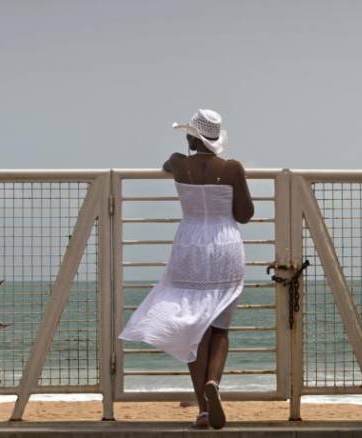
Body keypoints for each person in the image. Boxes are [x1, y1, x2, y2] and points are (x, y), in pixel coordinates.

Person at [119, 109, 254, 429]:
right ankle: (214, 384)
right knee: (220, 327)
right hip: (224, 245)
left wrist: (180, 157)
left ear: (193, 137)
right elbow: (245, 213)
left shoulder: (179, 164)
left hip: (189, 245)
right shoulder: (232, 168)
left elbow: (168, 163)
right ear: (216, 138)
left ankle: (204, 411)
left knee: (194, 330)